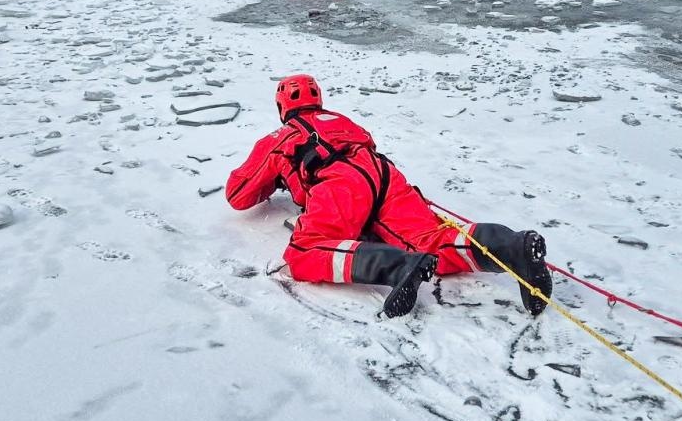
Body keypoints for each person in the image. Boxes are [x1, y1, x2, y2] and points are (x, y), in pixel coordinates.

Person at [226, 74, 553, 318]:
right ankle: (510, 247)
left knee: (305, 254)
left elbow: (238, 194)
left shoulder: (282, 135)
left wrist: (278, 179)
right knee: (428, 238)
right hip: (385, 175)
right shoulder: (343, 121)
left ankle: (397, 267)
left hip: (341, 184)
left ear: (283, 106)